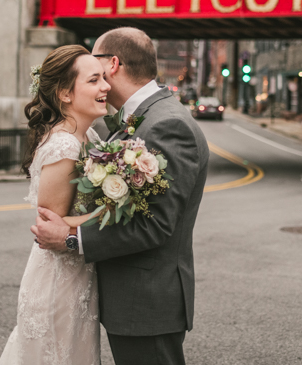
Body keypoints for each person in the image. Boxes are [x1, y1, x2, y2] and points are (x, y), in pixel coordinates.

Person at [32, 27, 209, 365]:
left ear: (113, 64)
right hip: (132, 300)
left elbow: (154, 225)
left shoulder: (165, 125)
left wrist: (71, 238)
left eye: (96, 67)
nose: (96, 78)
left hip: (146, 302)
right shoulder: (136, 120)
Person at [0, 44, 111, 365]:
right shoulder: (64, 146)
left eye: (104, 77)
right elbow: (51, 224)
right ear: (65, 93)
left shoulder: (90, 138)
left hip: (79, 276)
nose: (105, 86)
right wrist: (110, 211)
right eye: (93, 80)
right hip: (58, 282)